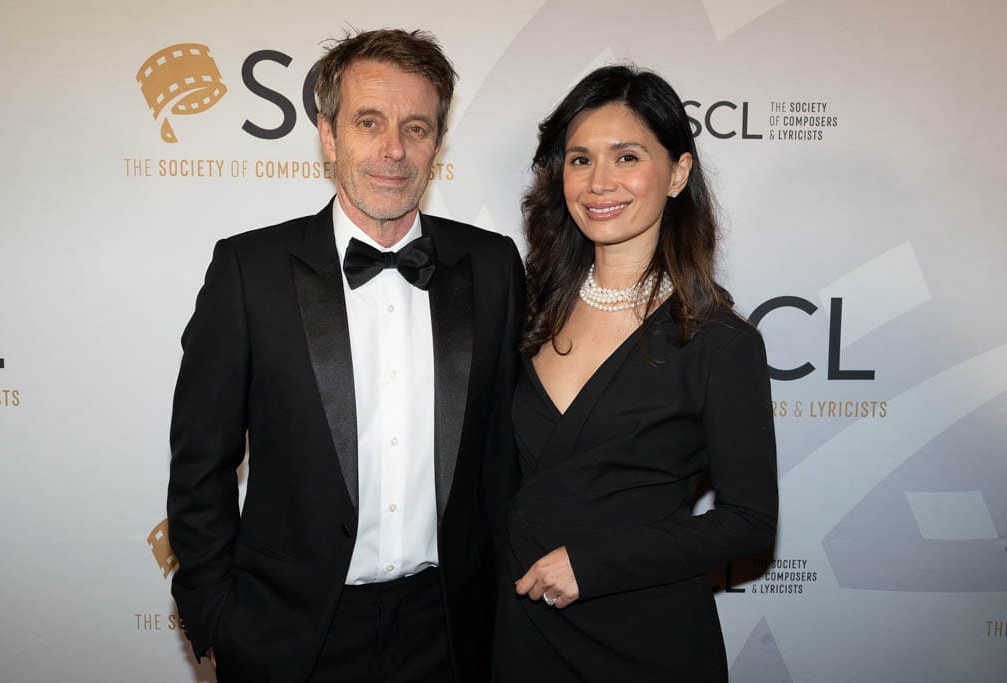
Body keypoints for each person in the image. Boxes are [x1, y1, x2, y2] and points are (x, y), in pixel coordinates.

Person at [167, 28, 523, 683]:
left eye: (416, 128)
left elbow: (506, 458)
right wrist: (213, 615)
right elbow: (200, 465)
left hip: (448, 631)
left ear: (438, 143)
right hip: (290, 635)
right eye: (369, 122)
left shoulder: (494, 267)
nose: (394, 149)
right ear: (328, 135)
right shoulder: (250, 271)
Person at [493, 65, 778, 682]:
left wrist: (595, 563)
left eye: (626, 157)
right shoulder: (525, 311)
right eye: (580, 160)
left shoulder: (720, 342)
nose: (599, 182)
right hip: (520, 632)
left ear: (677, 172)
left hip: (644, 636)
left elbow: (749, 521)